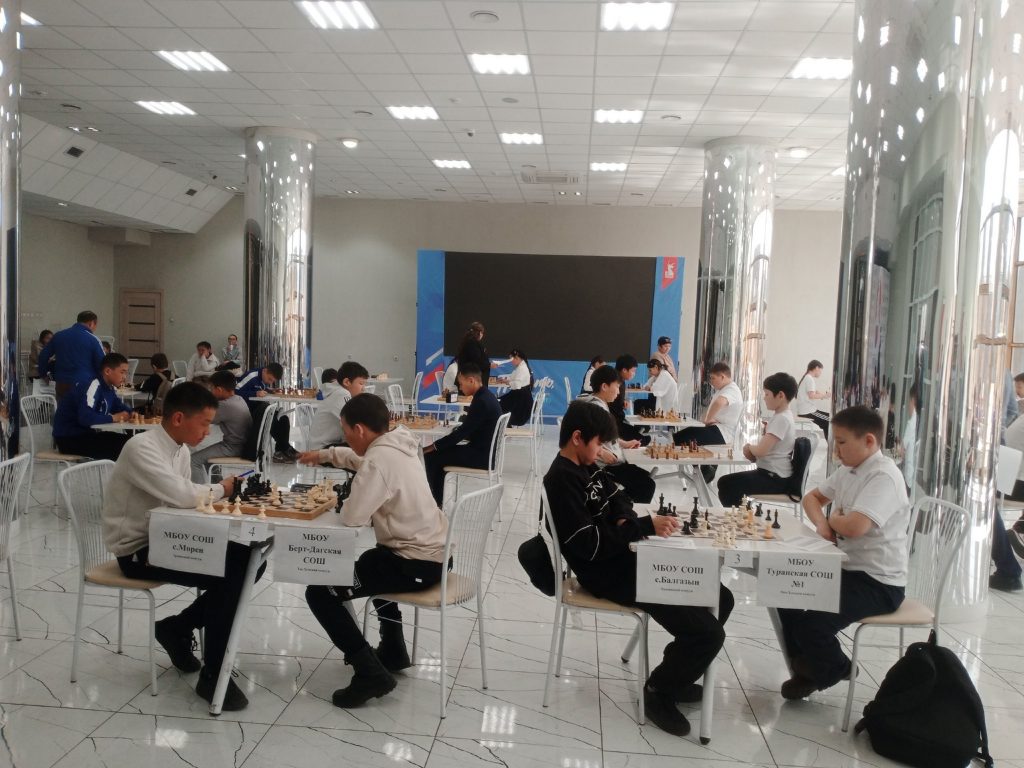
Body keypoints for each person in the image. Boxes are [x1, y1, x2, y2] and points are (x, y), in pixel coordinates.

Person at [544, 400, 734, 737]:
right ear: (577, 437)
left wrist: (626, 520)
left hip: (629, 556)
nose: (602, 451)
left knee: (722, 598)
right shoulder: (561, 480)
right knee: (709, 634)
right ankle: (659, 690)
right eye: (598, 443)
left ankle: (677, 672)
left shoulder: (587, 466)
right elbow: (590, 545)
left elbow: (619, 497)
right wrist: (642, 526)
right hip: (608, 573)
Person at [103, 382, 262, 711]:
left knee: (251, 561)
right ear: (178, 418)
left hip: (166, 536)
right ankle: (212, 673)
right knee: (233, 573)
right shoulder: (142, 448)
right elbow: (184, 495)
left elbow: (186, 504)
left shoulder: (181, 450)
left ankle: (178, 628)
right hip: (137, 550)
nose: (208, 432)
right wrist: (222, 489)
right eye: (204, 423)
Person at [299, 394, 449, 708]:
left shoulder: (379, 461)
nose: (346, 439)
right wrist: (327, 455)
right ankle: (393, 651)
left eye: (346, 432)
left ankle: (369, 672)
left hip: (415, 564)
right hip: (435, 557)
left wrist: (347, 495)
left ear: (360, 430)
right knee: (373, 561)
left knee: (320, 592)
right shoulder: (399, 443)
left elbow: (353, 516)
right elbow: (364, 462)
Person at [777, 405, 910, 699]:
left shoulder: (883, 476)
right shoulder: (849, 469)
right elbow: (812, 498)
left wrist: (835, 520)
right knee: (784, 591)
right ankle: (808, 667)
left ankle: (836, 667)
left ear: (869, 441)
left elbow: (855, 526)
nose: (836, 451)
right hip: (846, 568)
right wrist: (824, 524)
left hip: (878, 582)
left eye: (841, 442)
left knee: (813, 624)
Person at [422, 363, 500, 505]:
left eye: (461, 384)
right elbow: (469, 429)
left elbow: (462, 434)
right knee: (439, 454)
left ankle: (433, 504)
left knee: (431, 456)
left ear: (471, 380)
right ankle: (436, 502)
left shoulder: (481, 401)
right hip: (486, 452)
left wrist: (433, 446)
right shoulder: (486, 395)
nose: (460, 388)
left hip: (482, 457)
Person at [717, 372, 798, 506]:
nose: (764, 398)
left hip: (775, 478)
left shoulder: (781, 419)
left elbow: (761, 451)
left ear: (780, 395)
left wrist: (748, 447)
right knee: (725, 483)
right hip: (773, 474)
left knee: (728, 486)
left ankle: (741, 517)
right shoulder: (783, 416)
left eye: (767, 394)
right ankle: (742, 515)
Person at [580, 365, 655, 502]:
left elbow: (605, 435)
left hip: (611, 461)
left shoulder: (601, 404)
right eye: (617, 387)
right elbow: (583, 437)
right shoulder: (595, 408)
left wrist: (624, 443)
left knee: (645, 479)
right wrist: (601, 452)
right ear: (604, 386)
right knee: (647, 485)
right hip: (602, 466)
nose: (619, 392)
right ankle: (619, 507)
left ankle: (619, 504)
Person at [52, 352, 134, 460]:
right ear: (108, 371)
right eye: (122, 372)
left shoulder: (109, 388)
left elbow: (118, 406)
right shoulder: (92, 384)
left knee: (132, 442)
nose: (125, 377)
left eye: (126, 373)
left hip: (87, 435)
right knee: (125, 448)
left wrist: (132, 413)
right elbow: (85, 418)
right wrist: (113, 418)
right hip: (69, 438)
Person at [673, 361, 743, 480]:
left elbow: (719, 403)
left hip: (723, 433)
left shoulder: (732, 389)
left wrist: (707, 419)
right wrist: (704, 420)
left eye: (713, 378)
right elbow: (713, 406)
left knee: (681, 438)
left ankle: (706, 467)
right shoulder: (723, 389)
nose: (711, 381)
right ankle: (704, 467)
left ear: (722, 377)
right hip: (717, 428)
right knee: (683, 435)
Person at [189, 370, 253, 482]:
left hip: (233, 448)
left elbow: (200, 418)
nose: (211, 392)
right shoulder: (239, 399)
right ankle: (219, 486)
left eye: (211, 389)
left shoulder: (225, 405)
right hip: (244, 445)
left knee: (193, 461)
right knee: (207, 457)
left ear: (219, 390)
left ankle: (202, 492)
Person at [236, 362, 298, 462]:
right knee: (271, 418)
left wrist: (270, 390)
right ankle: (284, 449)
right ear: (265, 370)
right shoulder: (252, 376)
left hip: (258, 408)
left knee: (283, 418)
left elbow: (260, 388)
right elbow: (235, 392)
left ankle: (281, 450)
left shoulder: (263, 378)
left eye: (272, 381)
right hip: (247, 410)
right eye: (269, 379)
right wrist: (255, 393)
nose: (269, 382)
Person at [37, 310, 105, 399]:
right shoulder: (93, 340)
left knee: (63, 407)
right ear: (91, 323)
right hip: (84, 385)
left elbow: (43, 356)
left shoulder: (59, 336)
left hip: (62, 383)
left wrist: (43, 374)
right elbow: (102, 364)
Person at [308, 361, 368, 449]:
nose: (363, 388)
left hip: (324, 445)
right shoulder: (341, 394)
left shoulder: (337, 391)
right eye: (361, 383)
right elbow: (353, 421)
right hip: (322, 449)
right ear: (347, 382)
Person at [609, 354, 648, 445]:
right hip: (614, 423)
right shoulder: (616, 381)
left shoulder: (620, 380)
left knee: (642, 431)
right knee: (643, 440)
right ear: (624, 370)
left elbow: (615, 401)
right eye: (633, 371)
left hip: (617, 420)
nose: (634, 374)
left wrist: (623, 402)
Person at [495, 348, 534, 426]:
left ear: (517, 358)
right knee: (497, 402)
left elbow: (517, 385)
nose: (511, 361)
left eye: (511, 359)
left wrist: (507, 382)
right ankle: (501, 425)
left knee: (497, 405)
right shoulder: (521, 367)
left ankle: (502, 425)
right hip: (518, 396)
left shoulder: (522, 369)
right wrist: (505, 381)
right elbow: (515, 380)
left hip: (521, 402)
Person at [796, 360, 831, 438]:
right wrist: (824, 396)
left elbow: (815, 393)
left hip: (807, 410)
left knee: (830, 418)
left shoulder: (807, 377)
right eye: (821, 371)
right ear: (817, 368)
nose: (820, 373)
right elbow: (811, 396)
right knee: (830, 421)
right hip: (807, 412)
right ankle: (831, 443)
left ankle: (831, 442)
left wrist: (824, 395)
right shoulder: (809, 379)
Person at [455, 321, 490, 389]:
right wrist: (489, 365)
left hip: (468, 378)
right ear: (480, 332)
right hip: (471, 381)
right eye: (482, 333)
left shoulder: (466, 342)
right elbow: (476, 362)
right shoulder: (473, 344)